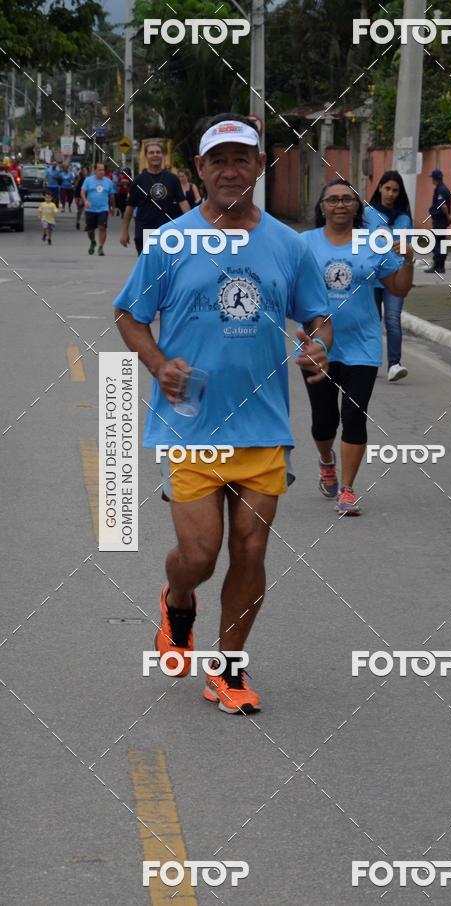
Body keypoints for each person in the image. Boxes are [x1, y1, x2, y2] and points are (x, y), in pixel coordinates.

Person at [112, 113, 332, 713]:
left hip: (262, 426)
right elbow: (130, 315)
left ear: (259, 167)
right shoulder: (172, 241)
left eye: (243, 160)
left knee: (252, 551)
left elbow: (317, 315)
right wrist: (159, 365)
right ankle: (177, 600)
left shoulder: (288, 244)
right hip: (189, 425)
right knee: (200, 556)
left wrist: (318, 342)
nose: (231, 171)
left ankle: (228, 670)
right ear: (200, 170)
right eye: (219, 161)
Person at [300, 178, 414, 516]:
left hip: (362, 344)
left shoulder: (374, 242)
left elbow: (398, 289)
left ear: (357, 207)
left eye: (347, 199)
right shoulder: (304, 244)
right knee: (323, 421)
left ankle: (347, 489)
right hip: (318, 345)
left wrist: (408, 260)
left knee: (354, 414)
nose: (339, 205)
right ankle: (326, 460)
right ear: (322, 207)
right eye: (332, 199)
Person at [365, 171, 413, 381]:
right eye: (387, 188)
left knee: (392, 319)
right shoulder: (367, 214)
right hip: (371, 275)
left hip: (394, 275)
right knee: (372, 321)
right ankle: (370, 362)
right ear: (380, 188)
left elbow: (407, 247)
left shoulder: (404, 218)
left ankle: (394, 364)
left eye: (395, 190)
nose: (391, 194)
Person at [120, 141, 190, 255]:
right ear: (146, 156)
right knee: (148, 268)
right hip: (144, 230)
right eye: (151, 152)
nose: (155, 155)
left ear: (163, 155)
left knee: (166, 268)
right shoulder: (139, 180)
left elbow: (183, 203)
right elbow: (130, 207)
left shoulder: (172, 179)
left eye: (158, 152)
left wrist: (191, 225)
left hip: (167, 231)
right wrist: (124, 231)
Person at [81, 161, 115, 255]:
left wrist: (112, 207)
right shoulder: (88, 180)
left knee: (102, 227)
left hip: (103, 209)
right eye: (100, 170)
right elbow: (83, 192)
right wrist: (85, 201)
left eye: (103, 170)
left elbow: (111, 196)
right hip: (90, 209)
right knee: (90, 230)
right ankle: (93, 242)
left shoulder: (108, 182)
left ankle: (101, 247)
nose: (102, 172)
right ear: (95, 170)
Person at [425, 169, 451, 275]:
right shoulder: (443, 188)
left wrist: (448, 216)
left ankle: (437, 266)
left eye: (432, 178)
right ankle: (441, 266)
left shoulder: (441, 190)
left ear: (435, 179)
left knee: (437, 242)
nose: (432, 180)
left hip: (440, 220)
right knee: (442, 243)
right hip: (441, 220)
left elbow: (443, 205)